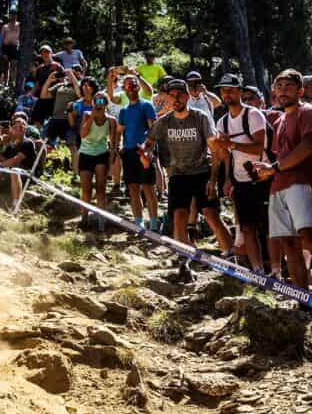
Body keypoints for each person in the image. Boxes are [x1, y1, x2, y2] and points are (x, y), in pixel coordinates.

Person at [254, 69, 312, 296]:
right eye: (279, 87)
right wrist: (268, 170)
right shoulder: (279, 119)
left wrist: (275, 168)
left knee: (311, 239)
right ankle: (302, 297)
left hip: (303, 183)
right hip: (278, 185)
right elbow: (280, 156)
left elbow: (308, 146)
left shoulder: (307, 112)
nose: (282, 92)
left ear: (300, 91)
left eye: (288, 87)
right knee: (289, 244)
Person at [145, 79, 232, 282]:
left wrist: (213, 178)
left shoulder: (200, 117)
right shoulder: (164, 121)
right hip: (176, 174)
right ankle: (183, 261)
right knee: (179, 217)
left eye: (180, 95)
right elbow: (149, 141)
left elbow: (214, 147)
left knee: (211, 214)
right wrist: (146, 153)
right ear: (167, 98)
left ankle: (231, 257)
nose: (176, 99)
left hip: (201, 171)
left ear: (187, 96)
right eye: (172, 95)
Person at [213, 74, 271, 272]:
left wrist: (231, 144)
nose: (226, 94)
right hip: (240, 179)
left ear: (239, 91)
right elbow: (226, 154)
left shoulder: (253, 115)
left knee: (269, 227)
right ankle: (258, 271)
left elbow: (258, 148)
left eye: (230, 89)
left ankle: (277, 270)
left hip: (263, 177)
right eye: (223, 90)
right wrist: (227, 176)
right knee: (247, 227)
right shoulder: (222, 122)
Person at [113, 73, 160, 229]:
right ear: (124, 89)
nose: (130, 88)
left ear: (138, 87)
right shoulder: (123, 111)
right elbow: (119, 131)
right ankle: (138, 222)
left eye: (133, 85)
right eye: (127, 85)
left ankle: (153, 223)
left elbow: (153, 128)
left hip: (144, 151)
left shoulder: (147, 105)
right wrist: (117, 147)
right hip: (128, 152)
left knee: (148, 187)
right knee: (133, 188)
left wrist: (149, 150)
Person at [78, 92, 117, 231]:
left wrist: (112, 159)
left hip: (101, 153)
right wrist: (92, 117)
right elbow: (82, 134)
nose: (99, 104)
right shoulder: (87, 114)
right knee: (86, 189)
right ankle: (84, 218)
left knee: (101, 189)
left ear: (106, 104)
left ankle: (101, 221)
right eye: (97, 101)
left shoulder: (111, 120)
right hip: (86, 153)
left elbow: (113, 142)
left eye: (102, 101)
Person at [30, 45, 63, 126]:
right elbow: (37, 83)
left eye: (47, 52)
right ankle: (38, 135)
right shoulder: (40, 68)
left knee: (53, 119)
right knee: (36, 117)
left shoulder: (57, 66)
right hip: (42, 96)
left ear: (51, 53)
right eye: (42, 53)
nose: (45, 54)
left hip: (54, 97)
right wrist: (30, 94)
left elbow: (63, 81)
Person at [0, 11, 20, 86]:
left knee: (14, 65)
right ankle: (5, 82)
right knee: (6, 65)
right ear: (9, 17)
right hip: (6, 46)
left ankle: (13, 82)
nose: (13, 17)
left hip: (15, 47)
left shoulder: (19, 25)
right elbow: (2, 38)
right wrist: (1, 48)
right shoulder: (5, 26)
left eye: (14, 15)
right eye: (11, 15)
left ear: (16, 16)